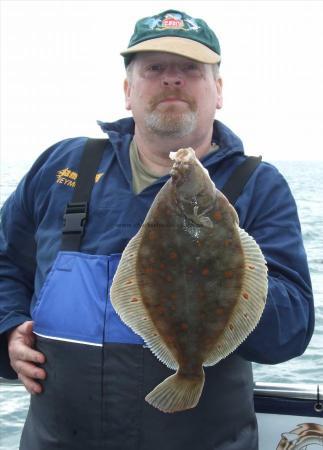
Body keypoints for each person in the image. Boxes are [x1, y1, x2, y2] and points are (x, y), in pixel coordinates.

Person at [0, 9, 314, 450]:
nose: (172, 79)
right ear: (128, 91)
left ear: (218, 90)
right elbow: (4, 261)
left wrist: (229, 268)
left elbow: (291, 332)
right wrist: (9, 328)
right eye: (154, 69)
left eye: (189, 69)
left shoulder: (259, 187)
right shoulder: (63, 166)